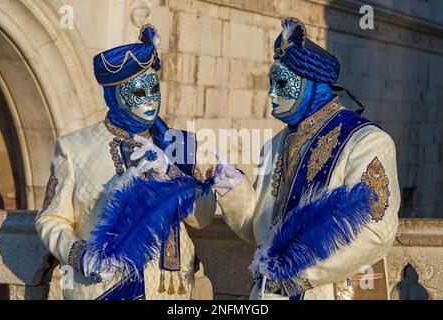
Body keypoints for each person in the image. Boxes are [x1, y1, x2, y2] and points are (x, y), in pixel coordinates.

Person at [213, 17, 400, 300]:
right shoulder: (275, 146)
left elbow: (375, 230)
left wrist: (298, 272)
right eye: (270, 82)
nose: (271, 94)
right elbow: (260, 230)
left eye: (282, 84)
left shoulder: (366, 141)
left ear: (311, 85)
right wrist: (234, 191)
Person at [35, 25, 216, 300]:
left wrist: (170, 173)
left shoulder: (179, 145)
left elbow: (201, 218)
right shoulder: (74, 148)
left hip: (170, 292)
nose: (151, 101)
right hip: (103, 288)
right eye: (138, 93)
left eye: (154, 89)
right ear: (114, 95)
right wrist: (80, 255)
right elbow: (51, 219)